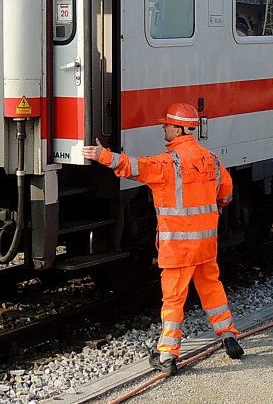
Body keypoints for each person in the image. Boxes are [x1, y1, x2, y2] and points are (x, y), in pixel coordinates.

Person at [82, 102, 244, 376]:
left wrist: (101, 155)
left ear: (179, 129)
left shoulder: (168, 164)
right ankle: (228, 335)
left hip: (178, 248)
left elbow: (132, 166)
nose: (163, 127)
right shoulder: (212, 161)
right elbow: (226, 195)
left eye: (167, 124)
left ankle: (167, 355)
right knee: (212, 290)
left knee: (174, 301)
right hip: (205, 245)